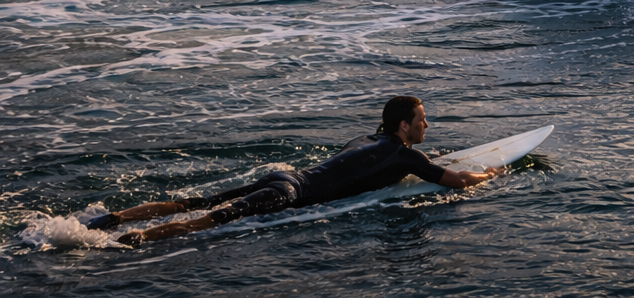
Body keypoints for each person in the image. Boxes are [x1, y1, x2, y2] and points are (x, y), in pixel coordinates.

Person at [84, 96, 499, 245]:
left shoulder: (366, 139)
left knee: (199, 203)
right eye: (423, 120)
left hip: (283, 178)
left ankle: (116, 218)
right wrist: (490, 175)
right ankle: (138, 239)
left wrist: (429, 159)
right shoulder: (407, 156)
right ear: (404, 126)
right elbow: (458, 183)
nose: (427, 125)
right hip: (291, 195)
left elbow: (367, 164)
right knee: (209, 221)